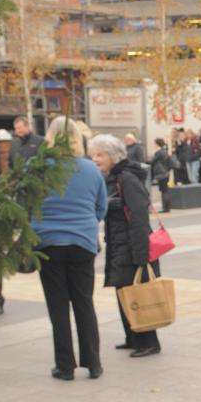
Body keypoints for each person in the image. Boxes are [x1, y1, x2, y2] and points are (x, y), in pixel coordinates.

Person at [31, 117, 107, 381]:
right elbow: (101, 207)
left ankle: (65, 366)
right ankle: (93, 363)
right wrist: (84, 224)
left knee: (58, 307)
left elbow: (26, 205)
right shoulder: (90, 169)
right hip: (83, 243)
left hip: (48, 243)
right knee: (84, 303)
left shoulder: (36, 168)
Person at [89, 133, 162, 358]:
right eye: (93, 156)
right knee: (124, 292)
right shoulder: (114, 177)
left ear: (112, 155)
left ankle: (149, 342)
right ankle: (132, 337)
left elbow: (139, 216)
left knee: (138, 294)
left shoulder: (126, 178)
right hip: (120, 244)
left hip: (132, 246)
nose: (95, 160)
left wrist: (141, 255)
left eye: (99, 155)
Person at [148, 138, 172, 213]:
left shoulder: (159, 152)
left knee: (164, 191)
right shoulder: (164, 151)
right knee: (165, 190)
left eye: (154, 143)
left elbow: (152, 161)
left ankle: (165, 208)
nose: (153, 145)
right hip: (165, 173)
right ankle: (167, 208)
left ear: (157, 144)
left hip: (161, 174)